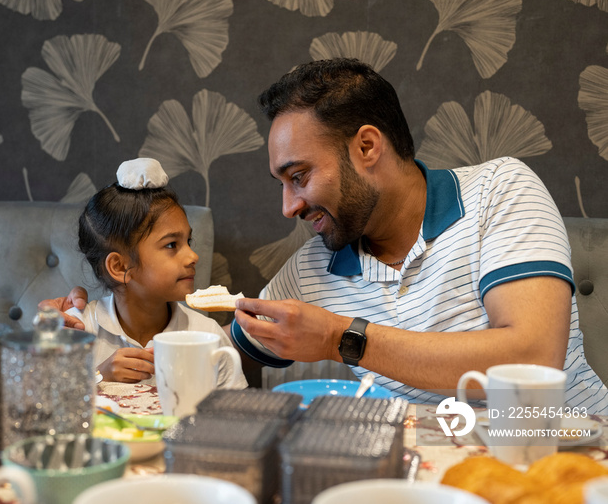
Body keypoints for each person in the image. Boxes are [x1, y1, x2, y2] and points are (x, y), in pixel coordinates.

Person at [44, 59, 606, 413]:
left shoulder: (500, 191)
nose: (288, 206)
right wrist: (88, 315)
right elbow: (210, 349)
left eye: (298, 176)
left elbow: (534, 358)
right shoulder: (313, 271)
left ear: (367, 147)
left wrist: (344, 338)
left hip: (565, 451)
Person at [67, 157, 247, 389]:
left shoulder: (206, 333)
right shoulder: (79, 330)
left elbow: (235, 414)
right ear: (120, 267)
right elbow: (42, 407)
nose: (193, 256)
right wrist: (99, 375)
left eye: (188, 241)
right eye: (172, 245)